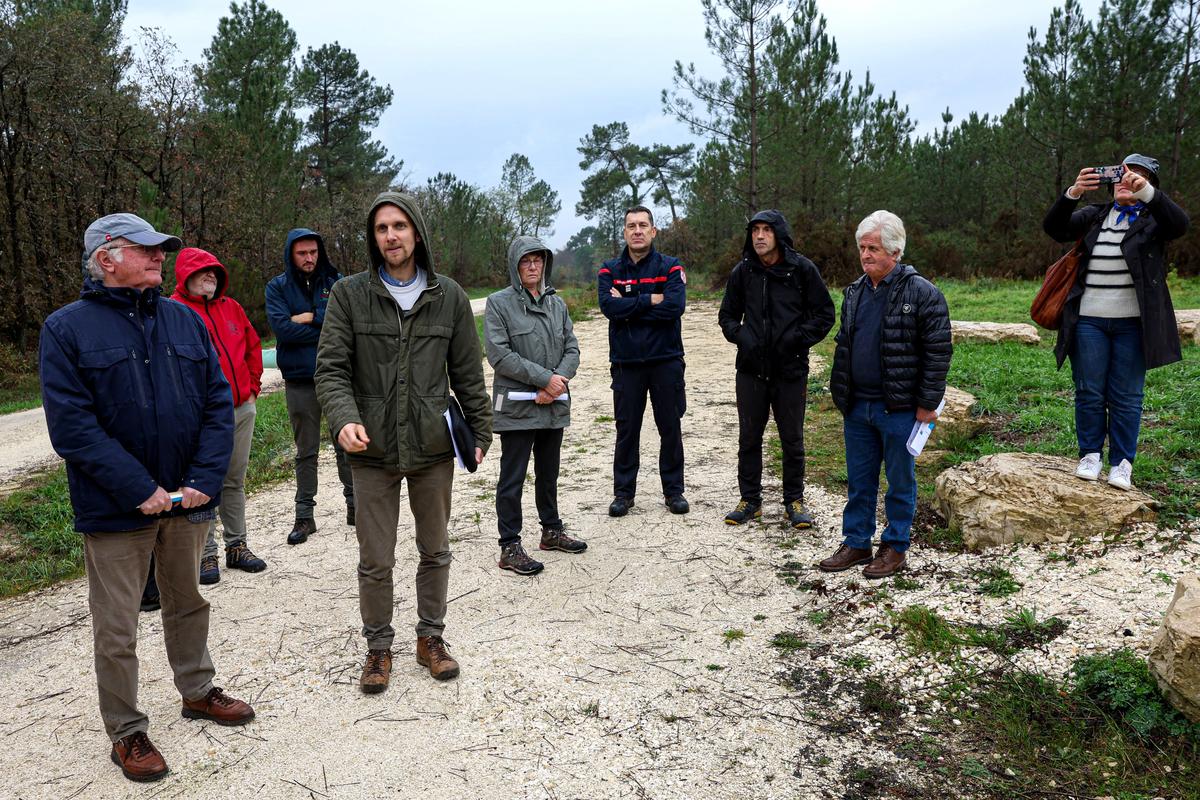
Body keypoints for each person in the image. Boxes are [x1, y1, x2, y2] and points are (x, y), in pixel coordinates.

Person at [39, 213, 255, 783]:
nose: (161, 256)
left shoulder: (184, 321)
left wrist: (205, 479)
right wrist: (141, 490)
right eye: (146, 249)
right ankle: (127, 729)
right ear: (106, 258)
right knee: (117, 626)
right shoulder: (66, 329)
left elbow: (217, 401)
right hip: (116, 510)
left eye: (162, 249)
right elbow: (73, 428)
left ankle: (198, 690)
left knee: (189, 602)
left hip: (187, 500)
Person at [315, 192, 492, 692]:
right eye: (380, 229)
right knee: (376, 559)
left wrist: (480, 433)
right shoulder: (349, 295)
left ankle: (430, 639)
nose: (390, 236)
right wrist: (344, 419)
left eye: (399, 226)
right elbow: (330, 369)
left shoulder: (449, 296)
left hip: (433, 449)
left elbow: (468, 375)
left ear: (417, 232)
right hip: (370, 451)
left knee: (435, 549)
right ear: (373, 239)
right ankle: (378, 648)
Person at [818, 210, 952, 579]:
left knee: (900, 480)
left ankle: (895, 547)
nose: (865, 255)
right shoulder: (855, 291)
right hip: (857, 405)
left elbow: (938, 352)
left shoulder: (923, 293)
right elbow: (845, 345)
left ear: (894, 251)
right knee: (859, 480)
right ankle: (857, 542)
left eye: (873, 248)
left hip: (900, 408)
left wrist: (927, 403)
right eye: (862, 247)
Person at [1044, 154, 1189, 491]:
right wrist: (1073, 193)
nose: (1129, 181)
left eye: (1138, 178)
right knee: (1090, 391)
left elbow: (1180, 224)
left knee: (1126, 396)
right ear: (1111, 182)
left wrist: (1147, 193)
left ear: (1148, 186)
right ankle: (1090, 455)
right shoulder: (1095, 216)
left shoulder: (1154, 221)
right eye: (1124, 175)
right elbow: (1055, 229)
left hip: (1133, 325)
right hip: (1089, 321)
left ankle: (1121, 463)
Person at [718, 210, 835, 528]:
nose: (759, 236)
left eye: (766, 230)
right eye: (754, 230)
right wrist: (743, 337)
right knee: (749, 438)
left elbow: (824, 314)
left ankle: (794, 501)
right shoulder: (743, 272)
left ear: (779, 234)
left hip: (790, 370)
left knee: (792, 439)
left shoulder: (802, 270)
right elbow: (727, 316)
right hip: (751, 370)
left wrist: (796, 340)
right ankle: (750, 500)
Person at [484, 235, 585, 575]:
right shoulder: (499, 303)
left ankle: (551, 531)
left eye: (537, 259)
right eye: (525, 260)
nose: (532, 266)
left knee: (549, 473)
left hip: (552, 404)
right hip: (517, 406)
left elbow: (572, 348)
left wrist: (557, 382)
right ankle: (509, 545)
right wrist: (544, 379)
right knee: (512, 478)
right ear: (515, 265)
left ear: (545, 263)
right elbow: (499, 354)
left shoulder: (557, 304)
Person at [171, 247, 266, 584]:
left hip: (241, 408)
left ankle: (237, 546)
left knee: (234, 479)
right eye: (203, 271)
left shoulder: (232, 308)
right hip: (201, 416)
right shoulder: (174, 312)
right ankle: (206, 554)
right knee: (202, 482)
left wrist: (252, 387)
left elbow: (253, 346)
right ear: (185, 276)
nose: (211, 275)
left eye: (215, 270)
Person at [265, 228, 355, 544]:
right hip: (300, 381)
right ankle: (304, 517)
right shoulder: (277, 287)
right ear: (291, 253)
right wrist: (322, 325)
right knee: (306, 451)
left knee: (347, 442)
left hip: (338, 377)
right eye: (302, 253)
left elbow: (345, 324)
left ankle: (355, 506)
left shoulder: (335, 282)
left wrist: (309, 316)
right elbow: (283, 331)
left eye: (313, 252)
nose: (309, 258)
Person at [598, 206, 689, 517]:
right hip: (626, 363)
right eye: (631, 226)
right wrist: (651, 298)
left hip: (666, 361)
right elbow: (609, 308)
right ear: (624, 232)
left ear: (653, 231)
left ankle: (673, 491)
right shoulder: (609, 270)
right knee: (627, 431)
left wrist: (629, 304)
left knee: (670, 427)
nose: (637, 231)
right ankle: (623, 494)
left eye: (643, 225)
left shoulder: (671, 266)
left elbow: (675, 306)